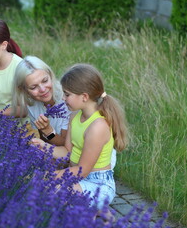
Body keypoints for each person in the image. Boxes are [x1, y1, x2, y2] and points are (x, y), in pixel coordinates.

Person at [32, 63, 127, 209]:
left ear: (84, 97)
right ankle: (98, 214)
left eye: (67, 94)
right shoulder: (75, 116)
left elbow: (82, 171)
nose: (63, 98)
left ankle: (94, 213)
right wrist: (43, 146)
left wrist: (50, 176)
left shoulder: (97, 127)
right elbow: (67, 152)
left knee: (53, 192)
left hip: (97, 185)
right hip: (79, 178)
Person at [12, 56, 72, 145]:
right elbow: (45, 141)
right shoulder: (32, 105)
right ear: (24, 90)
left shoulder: (68, 99)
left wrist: (48, 131)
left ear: (50, 75)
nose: (43, 89)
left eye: (45, 81)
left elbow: (66, 146)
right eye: (33, 87)